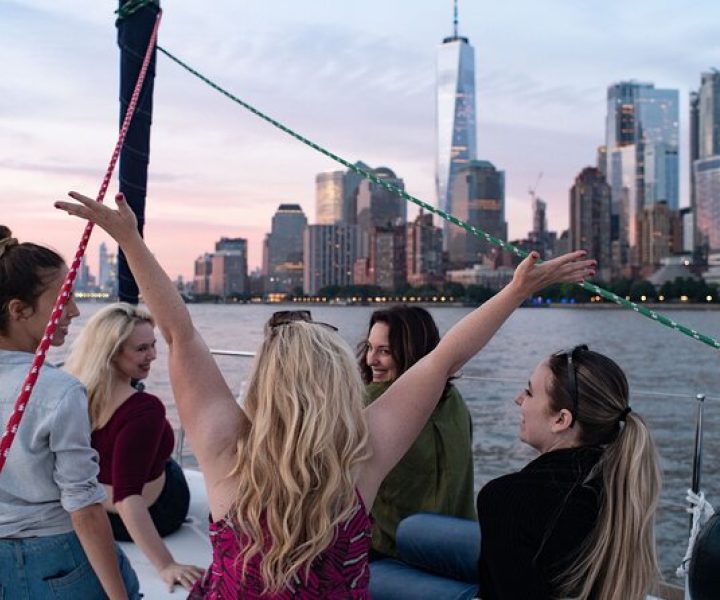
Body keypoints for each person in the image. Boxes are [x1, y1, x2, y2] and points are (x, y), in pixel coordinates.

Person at [55, 191, 593, 599]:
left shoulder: (224, 449)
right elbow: (445, 357)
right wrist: (517, 291)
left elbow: (179, 333)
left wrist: (129, 239)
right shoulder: (364, 458)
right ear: (339, 382)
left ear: (265, 381)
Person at [0, 225, 139, 599]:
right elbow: (84, 509)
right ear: (18, 310)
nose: (74, 311)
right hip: (56, 558)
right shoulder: (60, 392)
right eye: (63, 299)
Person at [373, 346, 661, 600]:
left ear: (561, 420)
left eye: (529, 392)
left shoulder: (508, 499)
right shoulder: (617, 474)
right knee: (412, 530)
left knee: (375, 577)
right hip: (556, 568)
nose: (518, 399)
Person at [64, 303, 204, 591]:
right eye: (141, 349)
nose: (152, 355)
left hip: (97, 517)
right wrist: (166, 564)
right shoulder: (144, 410)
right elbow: (128, 498)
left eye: (153, 345)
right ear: (112, 352)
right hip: (156, 513)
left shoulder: (71, 392)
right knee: (169, 464)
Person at [357, 305, 475, 560]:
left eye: (384, 351)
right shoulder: (453, 399)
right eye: (369, 348)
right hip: (457, 546)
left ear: (411, 353)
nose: (370, 360)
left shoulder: (369, 402)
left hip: (391, 549)